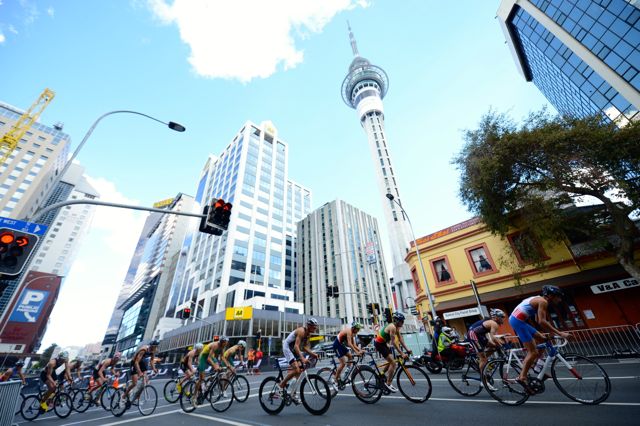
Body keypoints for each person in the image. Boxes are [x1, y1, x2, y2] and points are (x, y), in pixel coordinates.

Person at [509, 285, 570, 393]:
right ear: (550, 296)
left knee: (543, 340)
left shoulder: (541, 301)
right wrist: (560, 333)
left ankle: (537, 366)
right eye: (558, 297)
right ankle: (522, 377)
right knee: (533, 352)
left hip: (520, 321)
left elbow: (538, 320)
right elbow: (542, 321)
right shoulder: (543, 302)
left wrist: (547, 333)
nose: (560, 300)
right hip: (518, 321)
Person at [278, 318, 319, 403]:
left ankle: (292, 392)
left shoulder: (308, 335)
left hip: (293, 349)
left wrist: (313, 354)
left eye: (316, 327)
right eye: (314, 327)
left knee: (300, 370)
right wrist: (303, 358)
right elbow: (296, 346)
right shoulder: (301, 331)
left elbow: (304, 348)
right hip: (288, 347)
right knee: (296, 369)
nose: (315, 329)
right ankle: (282, 384)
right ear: (309, 326)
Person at [373, 312, 412, 393]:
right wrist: (402, 353)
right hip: (379, 344)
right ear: (397, 321)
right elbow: (394, 343)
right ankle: (388, 383)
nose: (403, 323)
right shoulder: (392, 327)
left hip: (384, 344)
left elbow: (400, 339)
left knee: (391, 361)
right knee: (393, 363)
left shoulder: (397, 327)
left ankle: (382, 374)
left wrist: (407, 349)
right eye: (402, 321)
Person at [123, 340, 159, 405]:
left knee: (145, 382)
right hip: (134, 363)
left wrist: (154, 368)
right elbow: (136, 362)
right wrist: (139, 372)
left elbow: (151, 361)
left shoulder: (153, 351)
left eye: (156, 346)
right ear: (152, 346)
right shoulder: (144, 350)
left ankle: (136, 399)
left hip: (142, 363)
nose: (156, 348)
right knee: (135, 383)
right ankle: (124, 396)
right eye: (155, 346)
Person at [194, 336, 229, 402]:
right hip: (203, 357)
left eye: (227, 342)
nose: (226, 344)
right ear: (222, 342)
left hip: (210, 357)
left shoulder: (222, 346)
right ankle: (194, 395)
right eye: (225, 342)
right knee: (202, 378)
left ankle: (209, 383)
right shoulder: (215, 345)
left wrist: (228, 365)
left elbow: (222, 357)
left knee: (218, 368)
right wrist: (215, 366)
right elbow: (208, 358)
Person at [332, 321, 365, 388]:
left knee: (350, 357)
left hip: (341, 345)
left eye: (359, 329)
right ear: (353, 328)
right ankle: (335, 380)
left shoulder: (353, 333)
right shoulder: (349, 331)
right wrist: (357, 352)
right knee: (343, 363)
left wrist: (360, 350)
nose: (358, 331)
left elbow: (354, 345)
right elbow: (349, 344)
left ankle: (346, 373)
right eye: (357, 329)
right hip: (337, 345)